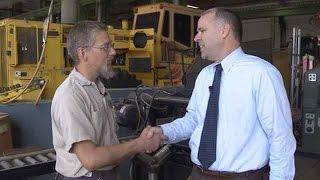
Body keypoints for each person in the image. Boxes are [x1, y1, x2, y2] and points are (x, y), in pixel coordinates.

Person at [145, 8, 296, 180]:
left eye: (202, 30)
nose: (196, 37)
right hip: (198, 173)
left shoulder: (261, 74)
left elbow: (280, 138)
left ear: (224, 30)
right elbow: (193, 120)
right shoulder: (205, 75)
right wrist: (164, 132)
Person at [51, 21, 160, 180]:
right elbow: (91, 159)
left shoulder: (98, 88)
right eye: (105, 47)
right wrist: (139, 144)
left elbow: (107, 141)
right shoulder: (71, 95)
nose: (113, 52)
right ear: (83, 53)